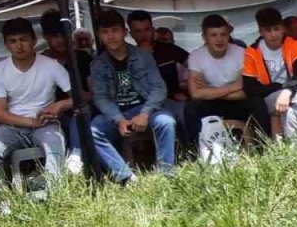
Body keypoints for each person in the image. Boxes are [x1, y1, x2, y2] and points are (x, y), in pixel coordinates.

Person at [89, 9, 178, 181]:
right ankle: (125, 176)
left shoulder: (143, 56)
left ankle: (166, 174)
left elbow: (159, 88)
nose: (111, 36)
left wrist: (145, 113)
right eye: (105, 32)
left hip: (145, 108)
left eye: (114, 30)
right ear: (99, 36)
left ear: (124, 32)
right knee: (92, 130)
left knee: (166, 122)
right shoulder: (98, 64)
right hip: (117, 112)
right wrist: (119, 120)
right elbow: (100, 98)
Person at [0, 17, 72, 190]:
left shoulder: (51, 65)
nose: (19, 45)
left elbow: (78, 97)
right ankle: (4, 200)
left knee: (55, 145)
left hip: (46, 124)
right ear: (6, 44)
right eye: (13, 41)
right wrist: (31, 122)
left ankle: (56, 195)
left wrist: (60, 105)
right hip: (12, 127)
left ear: (34, 40)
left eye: (23, 39)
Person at [184, 14, 267, 152]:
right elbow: (195, 93)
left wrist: (209, 90)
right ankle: (194, 153)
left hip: (237, 103)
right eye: (214, 35)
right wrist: (233, 87)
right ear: (204, 37)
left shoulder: (241, 53)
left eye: (223, 34)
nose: (219, 39)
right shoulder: (196, 56)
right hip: (213, 104)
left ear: (229, 35)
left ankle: (262, 149)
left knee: (258, 103)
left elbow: (246, 91)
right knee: (191, 108)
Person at [242, 6, 297, 141]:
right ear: (260, 32)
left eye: (276, 29)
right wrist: (280, 89)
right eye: (268, 30)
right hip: (268, 97)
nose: (273, 34)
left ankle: (295, 150)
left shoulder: (294, 45)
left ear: (283, 28)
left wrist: (287, 91)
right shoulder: (251, 52)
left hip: (291, 92)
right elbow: (250, 87)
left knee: (291, 108)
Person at [39, 9, 91, 174]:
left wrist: (66, 104)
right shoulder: (40, 62)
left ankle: (76, 155)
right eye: (54, 36)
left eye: (63, 34)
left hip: (80, 112)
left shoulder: (83, 59)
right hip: (49, 115)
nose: (60, 40)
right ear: (46, 37)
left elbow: (93, 94)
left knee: (81, 113)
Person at [128, 10, 189, 136]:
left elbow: (193, 64)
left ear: (153, 30)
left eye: (146, 30)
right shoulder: (127, 55)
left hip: (171, 99)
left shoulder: (167, 49)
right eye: (138, 31)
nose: (143, 35)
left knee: (185, 113)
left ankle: (190, 151)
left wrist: (185, 88)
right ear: (131, 34)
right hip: (141, 104)